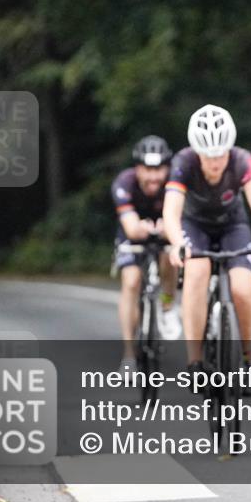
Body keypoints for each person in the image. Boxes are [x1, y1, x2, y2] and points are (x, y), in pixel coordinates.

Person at [164, 104, 251, 394]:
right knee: (196, 273)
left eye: (220, 153)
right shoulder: (183, 162)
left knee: (242, 288)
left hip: (233, 225)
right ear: (196, 151)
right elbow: (171, 210)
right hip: (195, 227)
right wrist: (177, 242)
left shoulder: (243, 160)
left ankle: (245, 361)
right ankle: (195, 362)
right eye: (208, 155)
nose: (215, 161)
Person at [113, 135, 182, 373]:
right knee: (131, 281)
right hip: (131, 236)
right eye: (147, 169)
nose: (153, 176)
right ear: (137, 168)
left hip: (164, 234)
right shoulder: (124, 182)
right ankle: (129, 354)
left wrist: (168, 229)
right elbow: (131, 228)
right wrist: (144, 228)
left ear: (167, 168)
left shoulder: (175, 180)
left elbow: (179, 221)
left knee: (171, 257)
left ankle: (167, 305)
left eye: (159, 169)